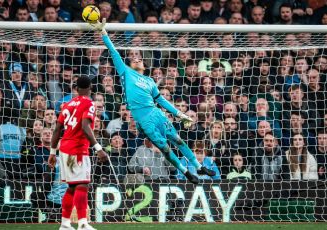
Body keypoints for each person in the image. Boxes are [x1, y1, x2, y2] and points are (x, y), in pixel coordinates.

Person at [93, 19, 215, 184]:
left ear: (144, 64)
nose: (135, 59)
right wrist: (104, 33)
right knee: (164, 148)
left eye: (139, 59)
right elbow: (114, 52)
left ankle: (198, 166)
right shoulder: (126, 72)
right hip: (144, 120)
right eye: (133, 58)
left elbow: (162, 101)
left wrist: (180, 115)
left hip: (157, 114)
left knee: (178, 140)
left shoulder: (150, 81)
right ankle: (186, 172)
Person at [48, 76, 108, 230]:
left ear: (76, 88)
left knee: (72, 187)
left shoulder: (67, 105)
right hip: (78, 149)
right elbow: (85, 126)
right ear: (90, 87)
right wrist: (98, 148)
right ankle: (82, 223)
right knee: (82, 185)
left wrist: (52, 152)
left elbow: (56, 130)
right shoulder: (89, 103)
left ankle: (65, 224)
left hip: (64, 149)